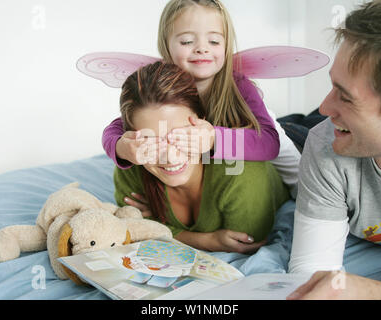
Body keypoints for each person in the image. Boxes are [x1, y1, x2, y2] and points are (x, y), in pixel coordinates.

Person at [103, 0, 302, 203]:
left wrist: (214, 139)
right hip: (209, 158)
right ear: (166, 45)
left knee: (303, 184)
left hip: (258, 129)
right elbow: (119, 125)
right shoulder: (160, 83)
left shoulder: (239, 86)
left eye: (214, 41)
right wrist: (120, 147)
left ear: (226, 45)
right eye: (187, 41)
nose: (202, 49)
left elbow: (269, 143)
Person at [287, 0, 381, 300]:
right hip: (365, 247)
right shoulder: (325, 143)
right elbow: (312, 278)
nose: (325, 107)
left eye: (345, 97)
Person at [113, 61, 289, 253]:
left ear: (203, 121)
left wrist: (157, 227)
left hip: (296, 137)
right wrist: (205, 241)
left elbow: (246, 244)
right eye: (150, 141)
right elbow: (131, 227)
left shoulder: (240, 172)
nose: (170, 157)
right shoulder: (131, 162)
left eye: (180, 135)